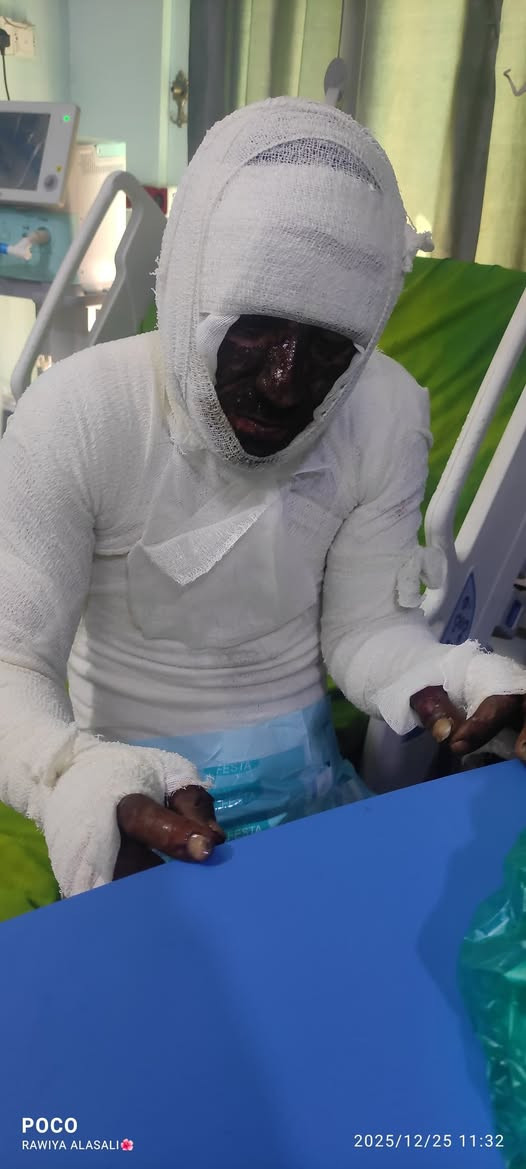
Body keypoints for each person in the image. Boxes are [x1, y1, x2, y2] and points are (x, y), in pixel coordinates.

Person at [1, 97, 525, 900]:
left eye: (329, 348)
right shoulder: (80, 415)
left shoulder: (381, 412)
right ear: (188, 292)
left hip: (308, 793)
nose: (285, 383)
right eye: (254, 328)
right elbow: (11, 663)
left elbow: (363, 630)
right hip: (133, 799)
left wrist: (447, 673)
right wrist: (71, 776)